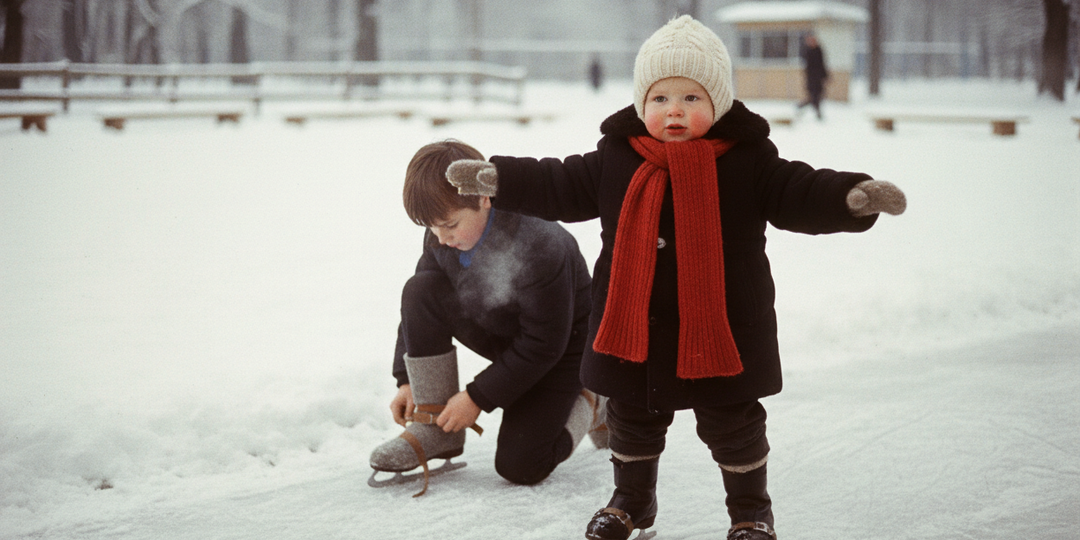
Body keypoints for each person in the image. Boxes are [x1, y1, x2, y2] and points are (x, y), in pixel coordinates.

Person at [445, 15, 905, 540]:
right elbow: (559, 182)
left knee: (733, 425)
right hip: (636, 324)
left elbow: (797, 191)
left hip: (722, 327)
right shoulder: (617, 156)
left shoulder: (748, 160)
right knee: (633, 418)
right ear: (643, 104)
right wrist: (498, 179)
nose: (675, 112)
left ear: (718, 103)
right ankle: (632, 502)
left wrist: (851, 198)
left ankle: (751, 513)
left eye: (691, 98)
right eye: (661, 99)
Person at [368, 140, 606, 497]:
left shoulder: (540, 243)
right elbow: (418, 303)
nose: (441, 238)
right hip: (506, 332)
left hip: (564, 351)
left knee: (521, 465)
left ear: (483, 197)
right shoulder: (444, 234)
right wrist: (408, 381)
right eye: (433, 228)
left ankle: (595, 401)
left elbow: (544, 345)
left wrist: (477, 398)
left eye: (449, 224)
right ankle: (435, 429)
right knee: (421, 287)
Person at [797, 33, 829, 120]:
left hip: (818, 77)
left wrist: (825, 75)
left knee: (818, 95)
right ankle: (815, 111)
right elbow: (807, 66)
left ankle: (801, 106)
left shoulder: (819, 50)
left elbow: (822, 63)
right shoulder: (807, 51)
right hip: (811, 78)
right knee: (813, 96)